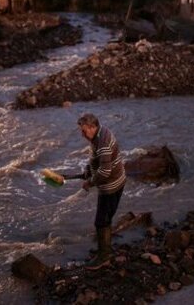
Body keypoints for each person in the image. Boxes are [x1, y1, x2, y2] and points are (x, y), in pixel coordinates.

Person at [77, 113, 126, 270]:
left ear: (93, 127)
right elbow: (97, 160)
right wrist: (88, 170)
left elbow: (105, 171)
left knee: (101, 221)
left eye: (84, 130)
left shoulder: (103, 142)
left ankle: (104, 257)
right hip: (115, 181)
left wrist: (90, 182)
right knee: (106, 217)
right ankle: (105, 248)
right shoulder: (99, 134)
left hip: (111, 185)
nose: (82, 134)